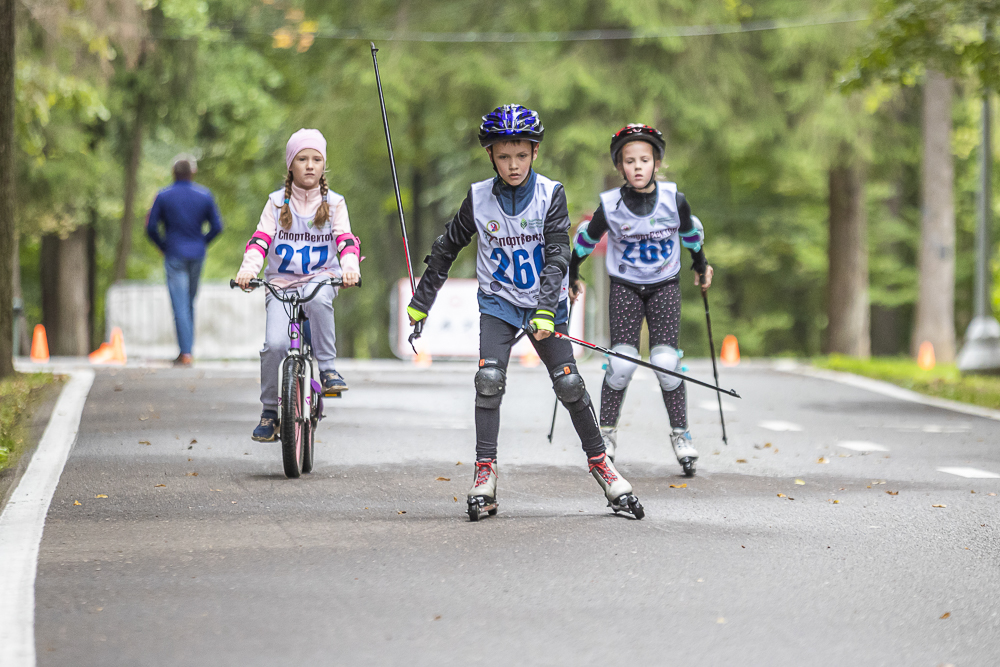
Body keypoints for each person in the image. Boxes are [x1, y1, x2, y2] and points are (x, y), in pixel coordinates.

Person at [406, 105, 643, 520]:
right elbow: (446, 249)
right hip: (498, 302)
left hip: (544, 304)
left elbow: (556, 256)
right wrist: (421, 302)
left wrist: (547, 309)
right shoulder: (478, 198)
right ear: (490, 156)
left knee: (569, 384)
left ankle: (602, 466)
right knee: (489, 379)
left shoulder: (551, 194)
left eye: (520, 155)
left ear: (534, 152)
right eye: (503, 156)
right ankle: (485, 474)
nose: (512, 165)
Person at [569, 124, 713, 477]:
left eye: (644, 159)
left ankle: (681, 435)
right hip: (626, 287)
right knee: (622, 363)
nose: (637, 166)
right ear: (619, 166)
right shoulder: (611, 205)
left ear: (657, 163)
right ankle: (606, 435)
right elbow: (586, 240)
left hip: (665, 284)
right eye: (629, 160)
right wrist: (572, 272)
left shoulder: (674, 200)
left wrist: (701, 265)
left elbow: (691, 235)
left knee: (666, 362)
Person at [235, 129, 361, 442]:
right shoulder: (276, 203)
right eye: (302, 159)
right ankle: (269, 411)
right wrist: (248, 271)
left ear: (323, 165)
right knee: (275, 345)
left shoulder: (335, 204)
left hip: (321, 278)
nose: (309, 165)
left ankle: (328, 368)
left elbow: (346, 240)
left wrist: (349, 268)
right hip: (281, 282)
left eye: (316, 159)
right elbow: (260, 240)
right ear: (290, 165)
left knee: (317, 301)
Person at [146, 155, 224, 366]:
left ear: (174, 173)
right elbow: (218, 227)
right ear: (193, 172)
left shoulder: (163, 196)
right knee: (189, 301)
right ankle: (186, 350)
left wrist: (163, 246)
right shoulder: (204, 195)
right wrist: (202, 242)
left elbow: (151, 227)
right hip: (197, 254)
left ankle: (186, 352)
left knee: (180, 303)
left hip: (174, 254)